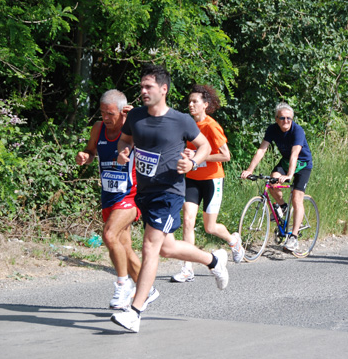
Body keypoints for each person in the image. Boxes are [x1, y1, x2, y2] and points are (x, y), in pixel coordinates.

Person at [110, 65, 229, 333]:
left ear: (163, 89)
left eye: (148, 87)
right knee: (166, 248)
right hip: (146, 192)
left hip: (170, 191)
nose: (143, 91)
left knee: (150, 247)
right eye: (141, 86)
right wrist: (124, 151)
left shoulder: (180, 120)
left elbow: (205, 146)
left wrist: (193, 164)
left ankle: (136, 311)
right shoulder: (136, 117)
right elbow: (125, 140)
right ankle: (214, 260)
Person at [75, 89, 145, 309]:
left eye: (111, 113)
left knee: (109, 234)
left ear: (123, 112)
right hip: (109, 196)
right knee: (123, 246)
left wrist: (140, 118)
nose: (106, 117)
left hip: (131, 195)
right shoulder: (98, 128)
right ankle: (147, 289)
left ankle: (122, 285)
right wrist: (85, 157)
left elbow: (154, 142)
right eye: (103, 112)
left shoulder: (134, 127)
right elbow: (91, 150)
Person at [170, 84, 244, 283]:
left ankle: (233, 240)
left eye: (195, 102)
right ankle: (187, 268)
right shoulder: (188, 125)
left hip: (212, 180)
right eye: (189, 102)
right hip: (192, 179)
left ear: (205, 105)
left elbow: (226, 155)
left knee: (210, 227)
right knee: (187, 221)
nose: (191, 105)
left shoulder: (211, 126)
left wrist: (199, 156)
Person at [240, 102, 312, 252]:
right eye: (282, 118)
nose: (286, 121)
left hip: (303, 163)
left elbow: (295, 154)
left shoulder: (297, 131)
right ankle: (283, 206)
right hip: (287, 161)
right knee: (272, 180)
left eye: (289, 118)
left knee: (297, 198)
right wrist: (249, 170)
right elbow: (262, 150)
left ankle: (294, 237)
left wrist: (289, 175)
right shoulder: (272, 129)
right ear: (276, 119)